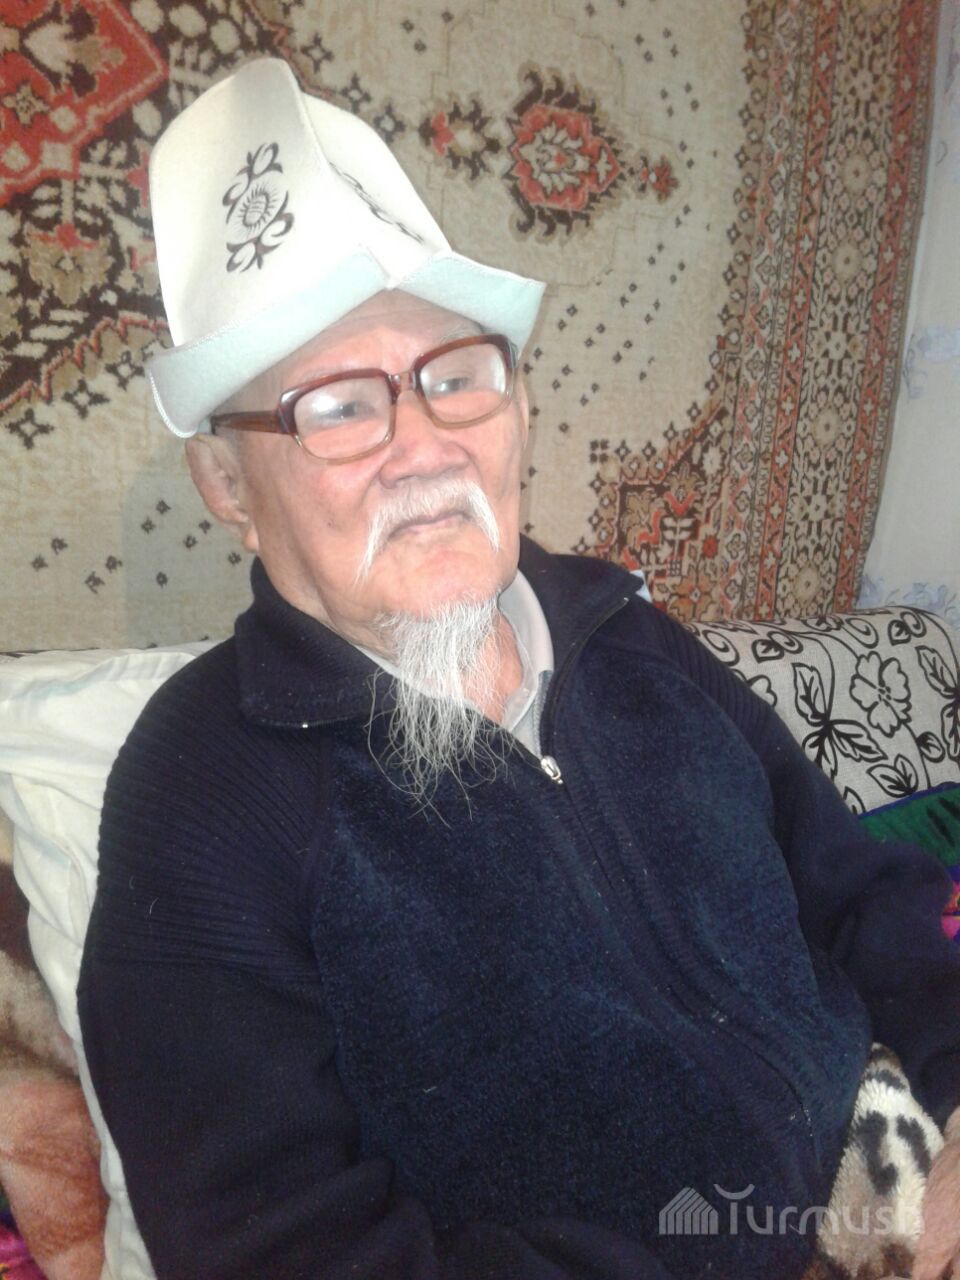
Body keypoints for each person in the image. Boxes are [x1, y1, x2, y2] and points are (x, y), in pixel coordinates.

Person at [77, 58, 960, 1280]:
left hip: (903, 1161)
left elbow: (860, 889)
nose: (423, 446)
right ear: (228, 484)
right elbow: (272, 1243)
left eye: (457, 376)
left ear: (521, 409)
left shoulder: (626, 631)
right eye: (335, 405)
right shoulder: (200, 787)